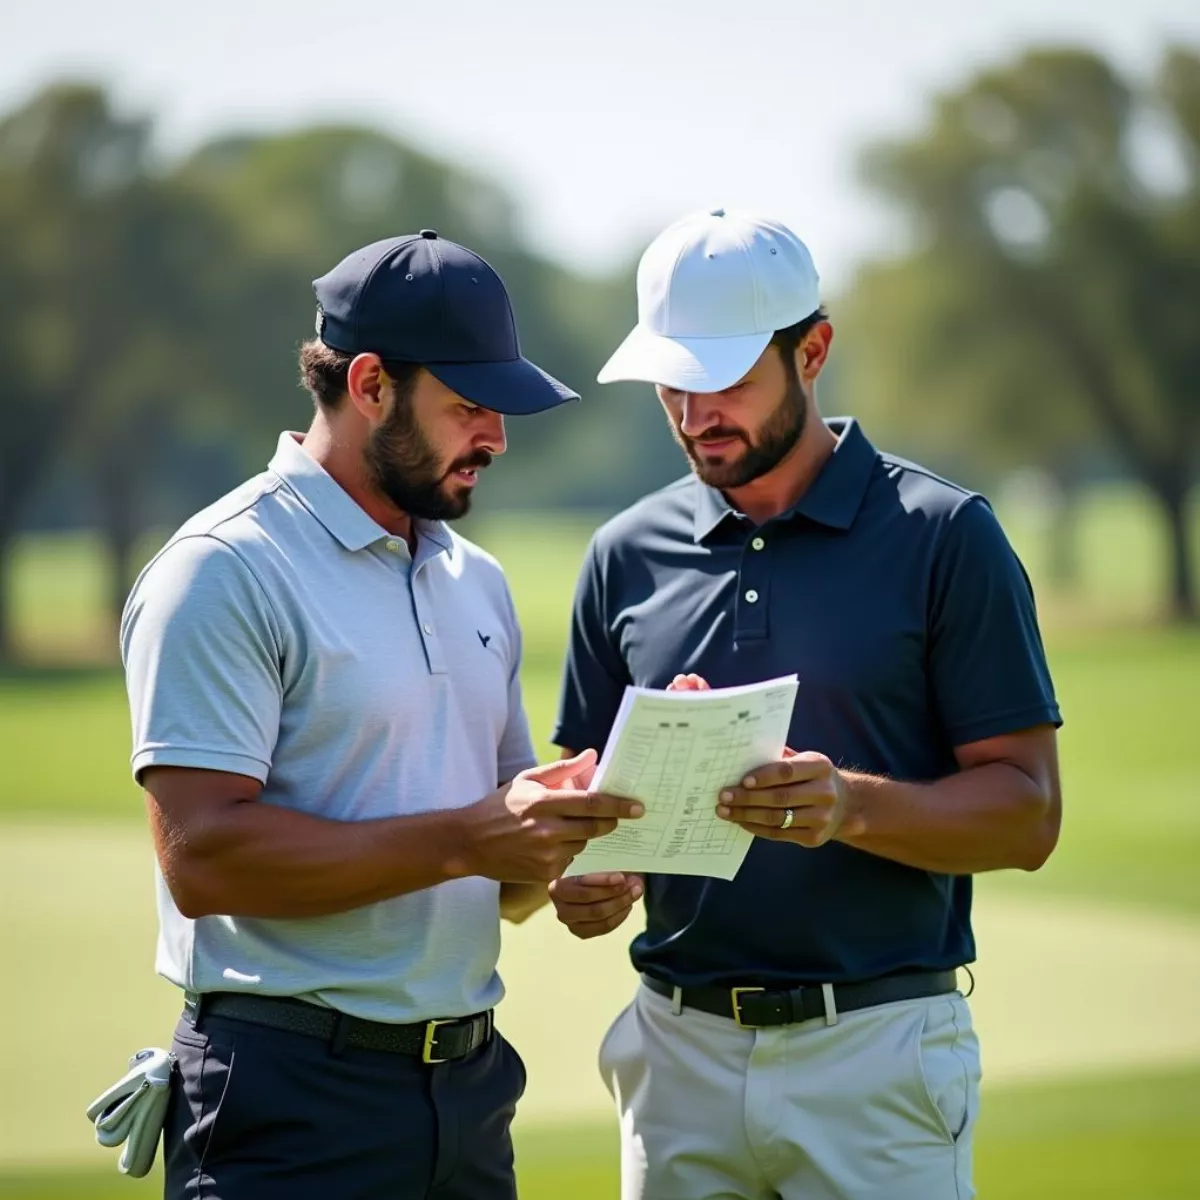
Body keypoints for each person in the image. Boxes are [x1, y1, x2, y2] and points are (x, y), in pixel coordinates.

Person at [547, 209, 1062, 1200]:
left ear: (813, 350)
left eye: (726, 380)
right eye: (674, 384)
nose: (697, 414)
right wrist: (586, 883)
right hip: (674, 1055)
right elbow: (587, 812)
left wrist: (849, 807)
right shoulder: (623, 556)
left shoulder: (944, 536)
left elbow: (1029, 815)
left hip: (877, 1054)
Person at [119, 230, 642, 1200]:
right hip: (287, 1099)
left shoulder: (472, 579)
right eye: (469, 406)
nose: (495, 437)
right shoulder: (222, 570)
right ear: (369, 386)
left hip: (471, 1093)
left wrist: (565, 858)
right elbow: (203, 861)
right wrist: (473, 839)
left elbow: (496, 868)